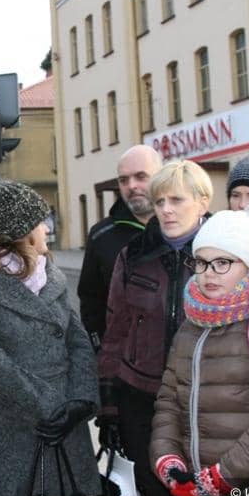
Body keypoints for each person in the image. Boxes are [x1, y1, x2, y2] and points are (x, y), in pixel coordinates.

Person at [0, 182, 101, 496]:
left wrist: (81, 399)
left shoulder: (51, 274)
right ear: (22, 232)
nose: (47, 229)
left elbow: (77, 340)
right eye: (41, 222)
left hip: (65, 423)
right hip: (9, 427)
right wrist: (51, 406)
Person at [150, 210, 249, 496]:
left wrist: (222, 476)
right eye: (201, 262)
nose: (208, 273)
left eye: (222, 263)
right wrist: (167, 459)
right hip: (192, 489)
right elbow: (168, 402)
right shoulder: (191, 325)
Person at [98, 160, 213, 496]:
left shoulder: (222, 256)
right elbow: (115, 330)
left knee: (201, 494)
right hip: (141, 395)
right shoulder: (133, 255)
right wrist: (109, 405)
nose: (166, 209)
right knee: (154, 492)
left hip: (203, 398)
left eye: (176, 200)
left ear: (203, 203)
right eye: (159, 201)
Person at [77, 144, 163, 347]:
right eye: (124, 180)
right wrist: (101, 347)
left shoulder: (184, 228)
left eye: (141, 177)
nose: (131, 186)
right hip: (123, 358)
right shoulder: (101, 236)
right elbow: (91, 301)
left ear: (161, 177)